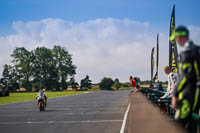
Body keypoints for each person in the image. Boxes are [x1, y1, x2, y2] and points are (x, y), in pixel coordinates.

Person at [170, 26, 200, 131]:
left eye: (176, 38)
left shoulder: (186, 53)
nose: (176, 41)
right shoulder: (197, 49)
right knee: (192, 124)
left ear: (181, 37)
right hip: (196, 93)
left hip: (189, 93)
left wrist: (174, 94)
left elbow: (184, 77)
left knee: (179, 124)